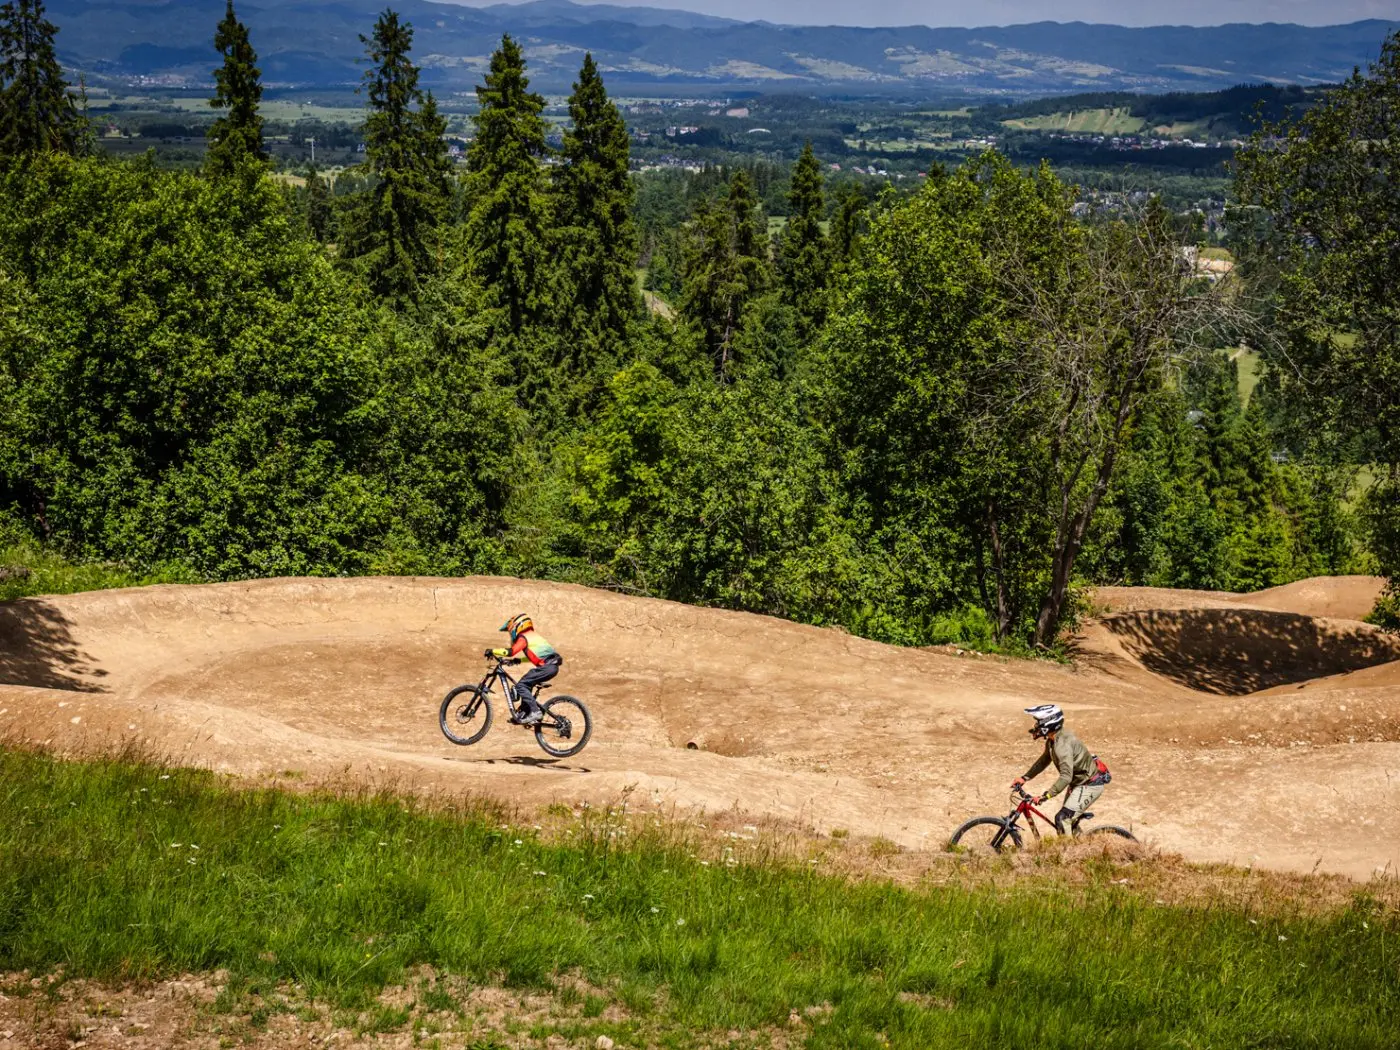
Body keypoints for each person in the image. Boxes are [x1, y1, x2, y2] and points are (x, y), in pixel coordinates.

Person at [1011, 703, 1111, 835]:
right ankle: (1080, 847)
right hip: (1078, 784)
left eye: (1039, 723)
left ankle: (1069, 854)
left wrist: (1045, 796)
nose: (1036, 726)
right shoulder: (1053, 740)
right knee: (1067, 827)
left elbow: (1065, 777)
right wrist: (1025, 777)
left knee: (1062, 819)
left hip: (1089, 785)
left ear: (1049, 724)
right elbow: (1044, 761)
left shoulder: (1062, 746)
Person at [489, 613, 562, 727]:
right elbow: (536, 655)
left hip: (547, 667)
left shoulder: (524, 637)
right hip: (552, 666)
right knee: (526, 684)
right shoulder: (534, 636)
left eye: (510, 631)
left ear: (516, 627)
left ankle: (534, 711)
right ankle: (524, 712)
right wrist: (517, 661)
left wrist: (493, 651)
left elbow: (510, 652)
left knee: (521, 685)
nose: (510, 634)